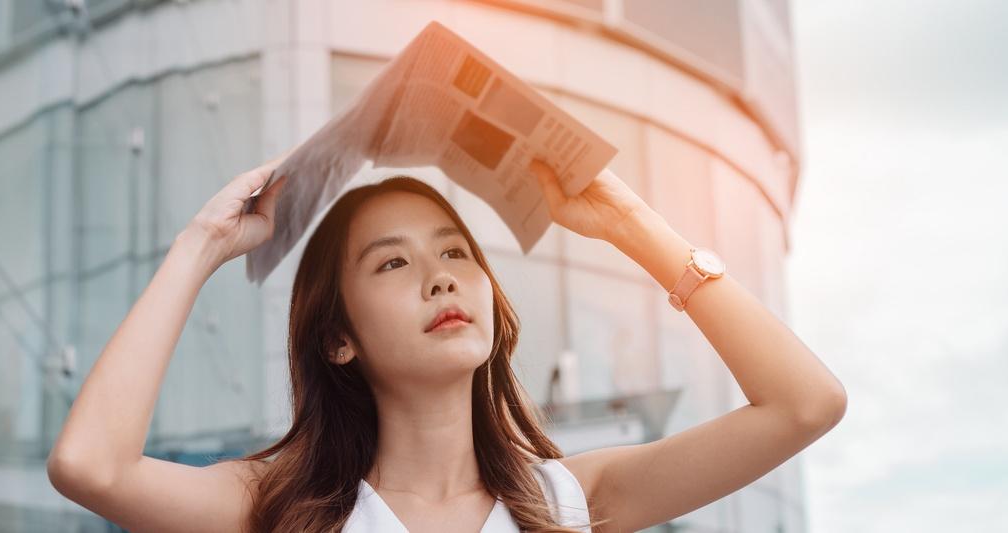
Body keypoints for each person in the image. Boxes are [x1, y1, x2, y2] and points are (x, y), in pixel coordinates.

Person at [46, 153, 847, 532]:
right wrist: (201, 243)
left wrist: (632, 225)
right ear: (338, 339)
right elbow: (91, 466)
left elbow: (806, 404)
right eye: (393, 261)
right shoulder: (283, 507)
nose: (440, 278)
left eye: (456, 252)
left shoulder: (564, 505)